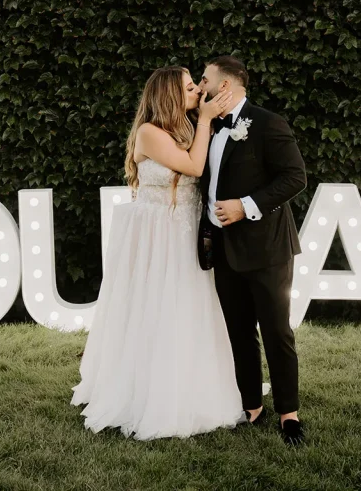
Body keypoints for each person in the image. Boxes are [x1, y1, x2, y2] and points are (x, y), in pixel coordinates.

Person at [71, 66, 243, 440]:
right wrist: (206, 120)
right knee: (156, 309)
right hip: (157, 235)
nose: (198, 90)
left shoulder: (186, 127)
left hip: (185, 231)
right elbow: (194, 166)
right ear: (169, 95)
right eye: (189, 87)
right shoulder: (149, 132)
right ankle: (147, 392)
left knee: (188, 307)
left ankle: (194, 388)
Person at [198, 55, 308, 446]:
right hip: (223, 248)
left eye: (205, 79)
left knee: (276, 331)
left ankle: (289, 414)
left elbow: (295, 177)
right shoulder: (206, 126)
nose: (200, 86)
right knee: (239, 332)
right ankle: (251, 405)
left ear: (225, 85)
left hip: (267, 248)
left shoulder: (267, 123)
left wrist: (246, 206)